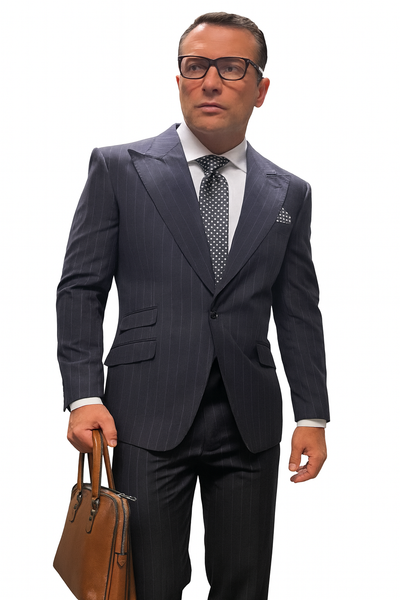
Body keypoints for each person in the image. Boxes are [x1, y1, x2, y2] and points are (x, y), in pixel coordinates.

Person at [57, 12, 330, 600]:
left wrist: (312, 416)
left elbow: (298, 309)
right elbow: (80, 288)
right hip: (142, 416)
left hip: (249, 418)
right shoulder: (119, 168)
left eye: (231, 68)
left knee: (244, 584)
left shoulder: (289, 192)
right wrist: (83, 396)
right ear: (178, 78)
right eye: (195, 65)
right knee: (149, 584)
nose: (210, 81)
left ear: (260, 88)